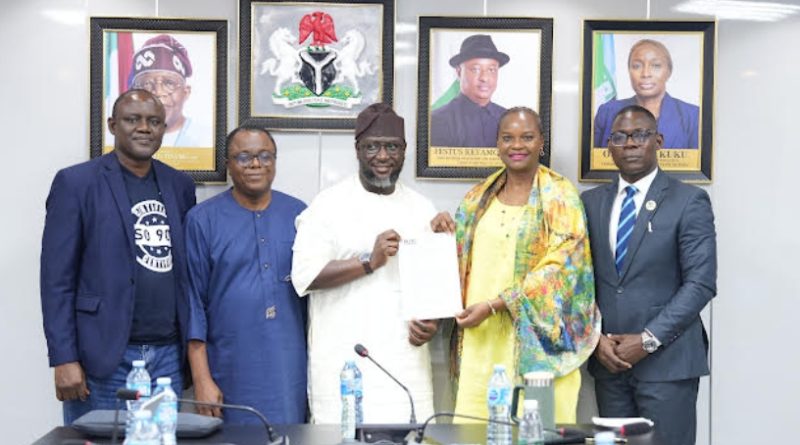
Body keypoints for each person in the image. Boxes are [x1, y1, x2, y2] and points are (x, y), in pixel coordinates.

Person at [40, 89, 196, 424]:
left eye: (154, 121)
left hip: (168, 355)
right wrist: (64, 358)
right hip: (102, 355)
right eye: (132, 119)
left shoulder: (180, 185)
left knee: (161, 440)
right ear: (113, 125)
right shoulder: (76, 183)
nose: (144, 128)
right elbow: (56, 281)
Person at [291, 103, 453, 423]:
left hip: (405, 365)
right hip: (345, 361)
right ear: (357, 150)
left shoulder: (422, 208)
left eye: (392, 147)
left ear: (404, 151)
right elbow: (305, 276)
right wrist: (368, 261)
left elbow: (429, 286)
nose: (382, 156)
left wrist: (431, 322)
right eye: (372, 147)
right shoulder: (328, 205)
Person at [451, 107, 601, 423]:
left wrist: (498, 304)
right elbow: (458, 256)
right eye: (508, 138)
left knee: (536, 433)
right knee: (476, 432)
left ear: (541, 142)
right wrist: (442, 230)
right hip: (482, 340)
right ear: (497, 144)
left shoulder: (561, 196)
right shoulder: (477, 198)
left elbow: (562, 269)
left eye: (527, 137)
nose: (517, 145)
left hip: (541, 348)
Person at [581, 105, 717, 445]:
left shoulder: (689, 201)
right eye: (620, 137)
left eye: (640, 135)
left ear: (658, 141)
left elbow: (700, 283)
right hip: (609, 364)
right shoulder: (590, 203)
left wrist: (647, 340)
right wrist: (595, 339)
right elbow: (577, 280)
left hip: (667, 365)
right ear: (609, 147)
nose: (630, 143)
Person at [185, 127, 307, 424]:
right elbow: (192, 305)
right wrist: (201, 378)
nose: (255, 164)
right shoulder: (202, 220)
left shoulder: (299, 214)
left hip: (288, 368)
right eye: (244, 157)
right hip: (228, 369)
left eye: (265, 156)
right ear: (228, 164)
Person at [593, 39, 699, 149]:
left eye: (656, 66)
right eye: (637, 66)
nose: (645, 74)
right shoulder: (607, 112)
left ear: (669, 72)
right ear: (629, 71)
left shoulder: (692, 116)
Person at [128, 34, 210, 147]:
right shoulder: (121, 138)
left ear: (186, 92)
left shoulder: (206, 139)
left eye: (169, 83)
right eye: (147, 84)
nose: (158, 92)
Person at [430, 34, 509, 147]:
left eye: (491, 70)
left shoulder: (509, 119)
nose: (484, 78)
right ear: (459, 72)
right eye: (475, 69)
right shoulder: (438, 120)